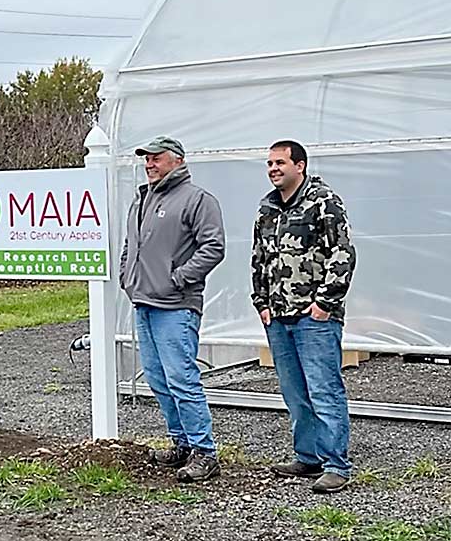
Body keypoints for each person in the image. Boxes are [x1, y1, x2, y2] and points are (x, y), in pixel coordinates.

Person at [252, 140, 357, 493]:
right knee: (295, 392)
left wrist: (324, 305)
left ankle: (336, 465)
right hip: (278, 316)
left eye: (279, 162)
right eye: (269, 163)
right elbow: (259, 260)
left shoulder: (323, 201)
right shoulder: (267, 209)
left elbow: (342, 254)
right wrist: (262, 303)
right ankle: (308, 456)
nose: (273, 169)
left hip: (314, 318)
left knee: (324, 390)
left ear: (300, 165)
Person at [119, 135, 226, 482]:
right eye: (146, 159)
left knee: (182, 378)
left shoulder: (197, 200)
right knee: (158, 379)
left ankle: (204, 452)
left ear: (177, 160)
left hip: (176, 305)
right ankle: (181, 443)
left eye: (156, 158)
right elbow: (129, 245)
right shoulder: (141, 200)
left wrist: (178, 278)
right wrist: (127, 275)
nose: (149, 164)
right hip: (144, 302)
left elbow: (213, 247)